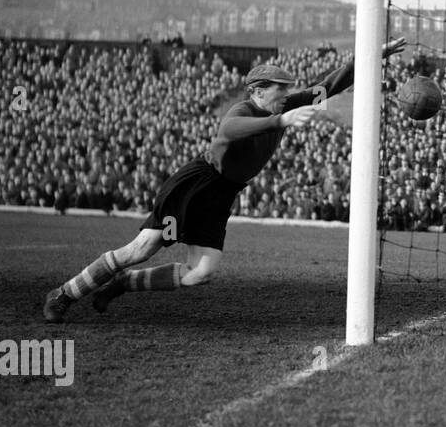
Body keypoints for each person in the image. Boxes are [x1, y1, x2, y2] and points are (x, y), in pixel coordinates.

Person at [43, 36, 410, 321]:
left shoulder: (288, 104)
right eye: (280, 89)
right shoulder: (243, 110)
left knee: (199, 273)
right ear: (258, 90)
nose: (286, 94)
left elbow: (329, 85)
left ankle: (124, 284)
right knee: (140, 249)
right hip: (195, 186)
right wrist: (280, 121)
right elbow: (230, 129)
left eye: (287, 89)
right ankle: (64, 294)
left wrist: (372, 54)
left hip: (222, 196)